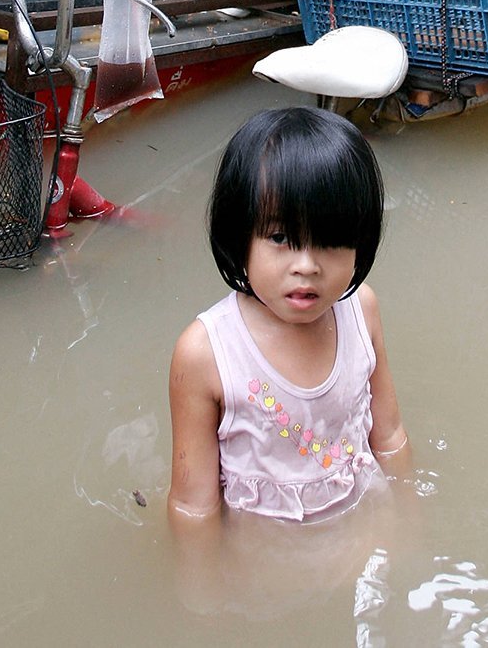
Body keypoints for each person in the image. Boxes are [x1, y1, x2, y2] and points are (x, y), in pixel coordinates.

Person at [168, 105, 408, 527]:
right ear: (239, 234)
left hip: (361, 524)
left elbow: (388, 437)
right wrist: (201, 591)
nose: (307, 265)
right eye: (280, 237)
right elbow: (194, 505)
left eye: (331, 240)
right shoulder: (206, 353)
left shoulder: (361, 310)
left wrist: (411, 527)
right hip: (263, 550)